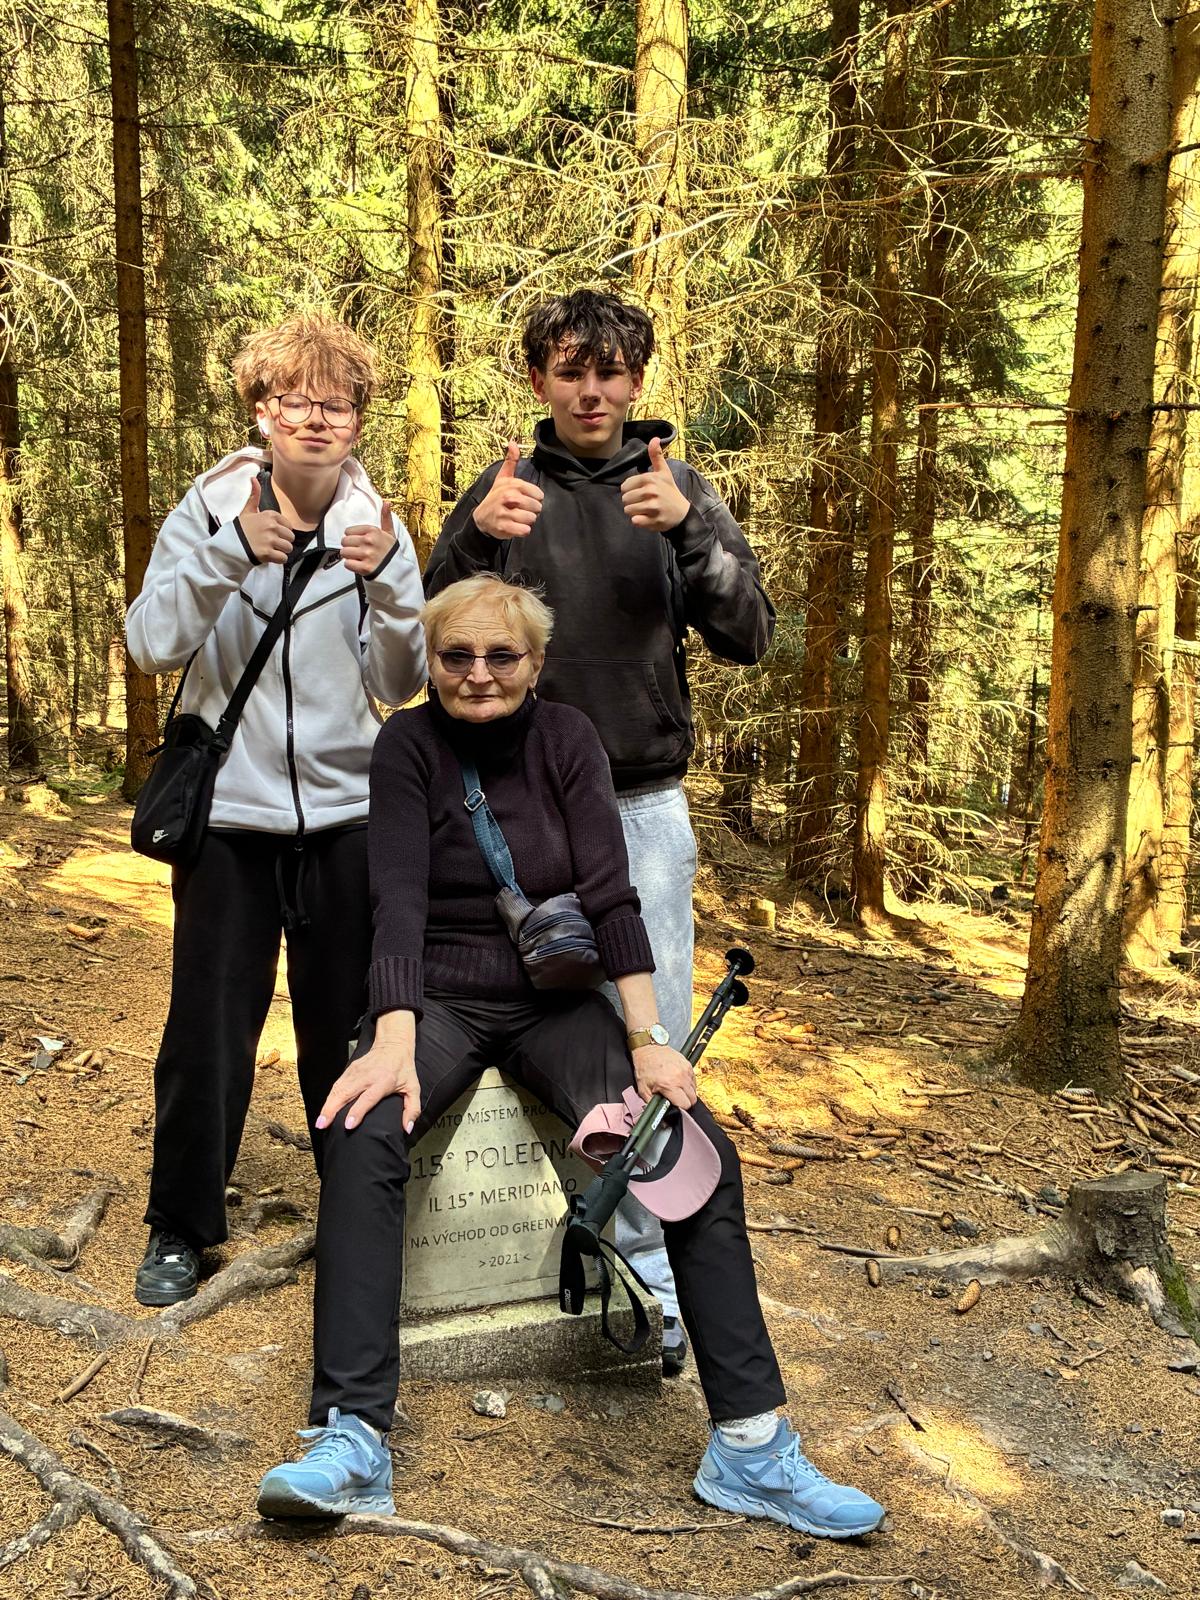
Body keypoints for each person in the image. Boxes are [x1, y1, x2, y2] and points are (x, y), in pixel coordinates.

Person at [256, 575, 883, 1540]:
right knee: (361, 1127)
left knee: (689, 1151)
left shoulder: (568, 739)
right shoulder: (407, 744)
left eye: (501, 655)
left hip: (555, 1001)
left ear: (537, 662)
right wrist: (392, 1037)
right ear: (431, 663)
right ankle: (352, 1434)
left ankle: (751, 1445)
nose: (478, 673)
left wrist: (648, 1041)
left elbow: (610, 895)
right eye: (456, 655)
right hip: (439, 998)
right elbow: (397, 901)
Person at [423, 290, 774, 1374]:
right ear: (538, 380)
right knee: (531, 1023)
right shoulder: (506, 490)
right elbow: (431, 637)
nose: (592, 392)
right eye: (571, 371)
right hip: (516, 805)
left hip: (639, 804)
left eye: (611, 372)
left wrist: (693, 531)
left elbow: (750, 634)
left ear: (636, 380)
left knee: (647, 1042)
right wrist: (474, 539)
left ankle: (654, 1279)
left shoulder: (674, 488)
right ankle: (521, 1240)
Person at [125, 310, 426, 1307]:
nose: (315, 419)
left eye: (336, 404)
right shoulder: (211, 503)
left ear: (358, 419)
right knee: (209, 1027)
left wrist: (392, 584)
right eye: (294, 401)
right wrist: (226, 554)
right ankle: (181, 1224)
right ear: (261, 411)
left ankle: (361, 1214)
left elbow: (400, 681)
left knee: (346, 1029)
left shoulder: (378, 526)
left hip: (345, 817)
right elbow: (149, 643)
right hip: (230, 819)